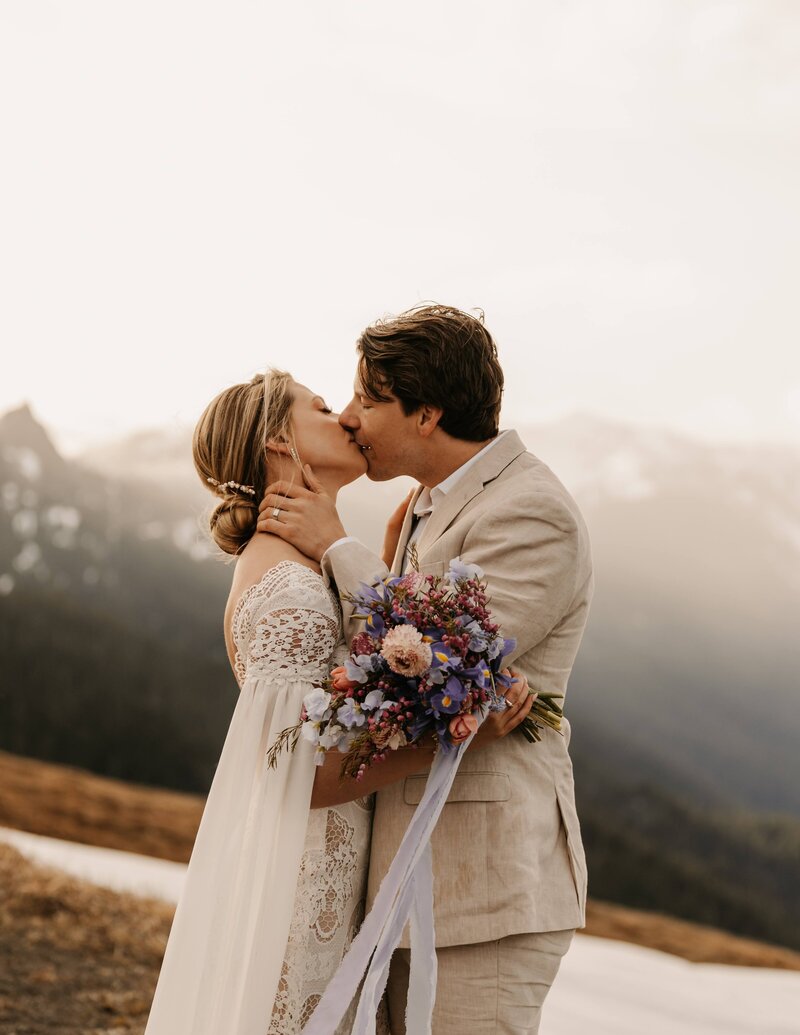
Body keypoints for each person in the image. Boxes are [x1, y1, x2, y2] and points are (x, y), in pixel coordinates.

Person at [143, 368, 533, 1035]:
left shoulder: (305, 565)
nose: (347, 418)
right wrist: (455, 735)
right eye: (322, 407)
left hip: (332, 861)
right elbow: (300, 769)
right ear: (277, 442)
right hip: (299, 876)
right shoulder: (287, 588)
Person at [258, 304, 594, 1035]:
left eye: (367, 399)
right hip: (408, 884)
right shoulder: (424, 508)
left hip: (486, 895)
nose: (349, 419)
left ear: (426, 414)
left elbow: (438, 668)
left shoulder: (531, 512)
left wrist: (337, 549)